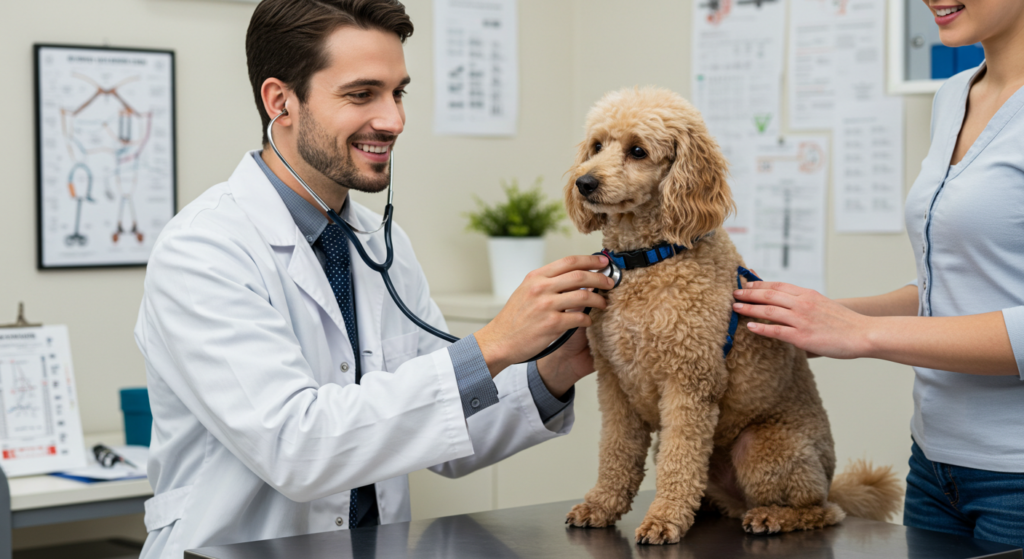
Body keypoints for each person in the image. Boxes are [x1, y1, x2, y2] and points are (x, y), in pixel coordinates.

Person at [133, 1, 613, 557]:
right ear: (280, 100)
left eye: (398, 92)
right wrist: (493, 343)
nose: (393, 120)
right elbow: (298, 448)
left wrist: (558, 366)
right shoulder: (204, 250)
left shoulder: (383, 245)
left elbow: (444, 434)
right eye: (362, 94)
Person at [731, 0, 1024, 548]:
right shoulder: (953, 96)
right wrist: (811, 320)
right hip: (934, 467)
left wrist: (859, 335)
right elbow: (954, 289)